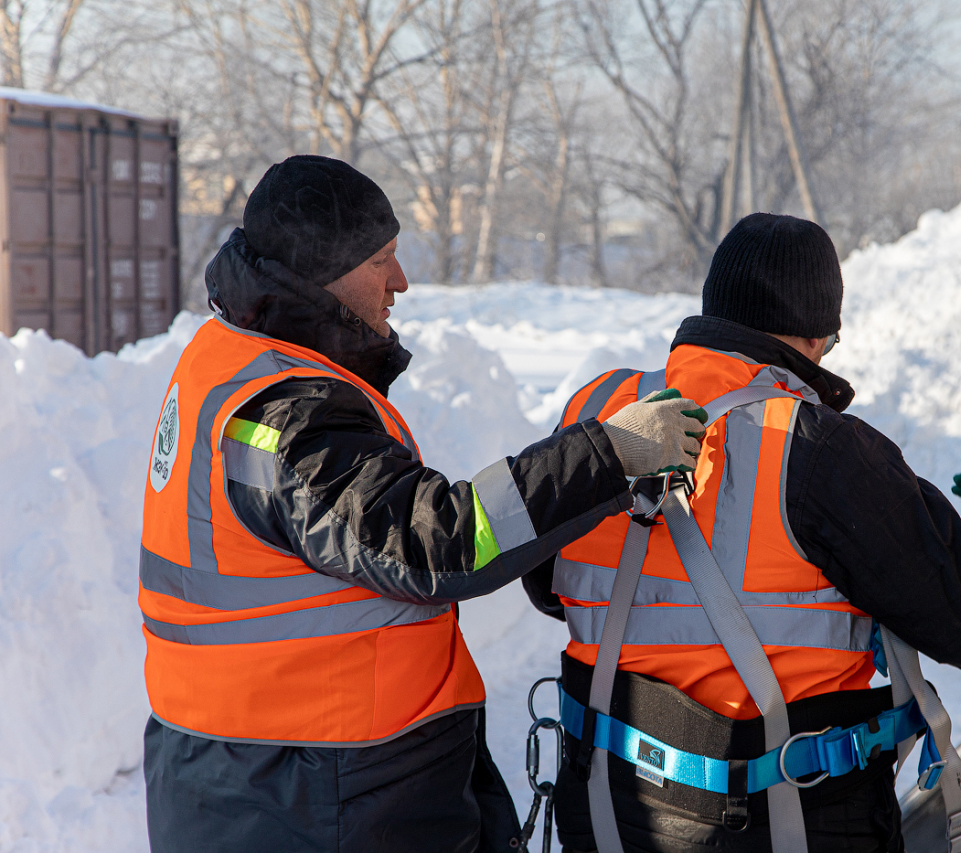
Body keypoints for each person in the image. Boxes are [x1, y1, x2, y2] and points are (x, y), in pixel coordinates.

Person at [138, 155, 708, 853]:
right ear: (325, 275)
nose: (400, 281)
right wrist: (607, 456)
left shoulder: (233, 362)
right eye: (383, 260)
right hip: (316, 792)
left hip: (259, 776)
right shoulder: (289, 420)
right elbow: (439, 541)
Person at [522, 212, 961, 853]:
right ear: (820, 335)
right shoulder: (817, 448)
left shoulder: (596, 409)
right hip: (779, 821)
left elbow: (549, 585)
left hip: (608, 813)